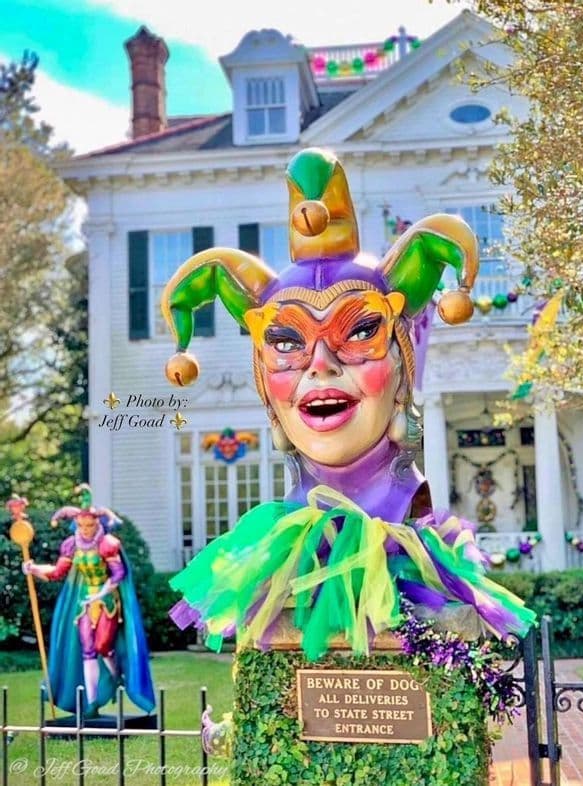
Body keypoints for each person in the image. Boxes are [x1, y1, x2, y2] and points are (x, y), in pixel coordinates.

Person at [161, 148, 534, 658]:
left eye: (359, 331)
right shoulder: (277, 546)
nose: (320, 365)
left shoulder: (420, 534)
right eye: (287, 342)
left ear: (400, 363)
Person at [23, 484, 155, 717]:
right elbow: (56, 572)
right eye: (82, 525)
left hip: (107, 602)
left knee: (103, 646)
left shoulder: (107, 544)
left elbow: (118, 574)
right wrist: (33, 569)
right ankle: (92, 702)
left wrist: (101, 594)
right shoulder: (72, 545)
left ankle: (116, 677)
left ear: (98, 524)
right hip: (84, 604)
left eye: (90, 525)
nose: (85, 529)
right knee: (88, 650)